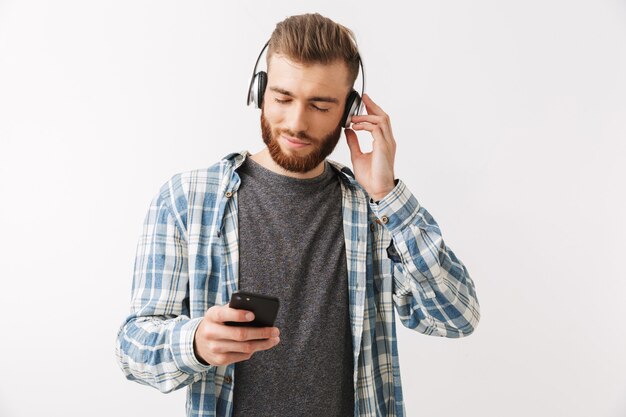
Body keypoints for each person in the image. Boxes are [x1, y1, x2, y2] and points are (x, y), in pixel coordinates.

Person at [115, 12, 480, 417]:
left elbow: (457, 316)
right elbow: (133, 349)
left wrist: (387, 193)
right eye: (283, 98)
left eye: (320, 106)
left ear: (349, 112)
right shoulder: (187, 200)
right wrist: (196, 343)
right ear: (260, 91)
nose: (296, 123)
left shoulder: (373, 211)